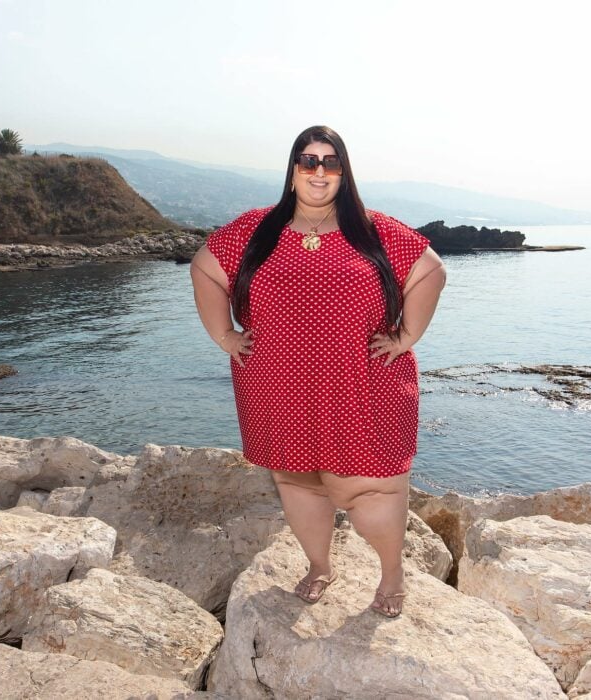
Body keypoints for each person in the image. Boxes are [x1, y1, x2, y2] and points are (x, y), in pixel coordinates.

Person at [190, 125, 446, 618]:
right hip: (277, 383)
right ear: (292, 172)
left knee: (367, 484)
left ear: (344, 175)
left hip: (362, 382)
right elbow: (204, 267)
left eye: (330, 162)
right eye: (308, 161)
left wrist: (407, 335)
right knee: (297, 479)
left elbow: (431, 269)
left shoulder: (374, 231)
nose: (319, 171)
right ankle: (319, 565)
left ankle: (392, 573)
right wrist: (225, 336)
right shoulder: (254, 230)